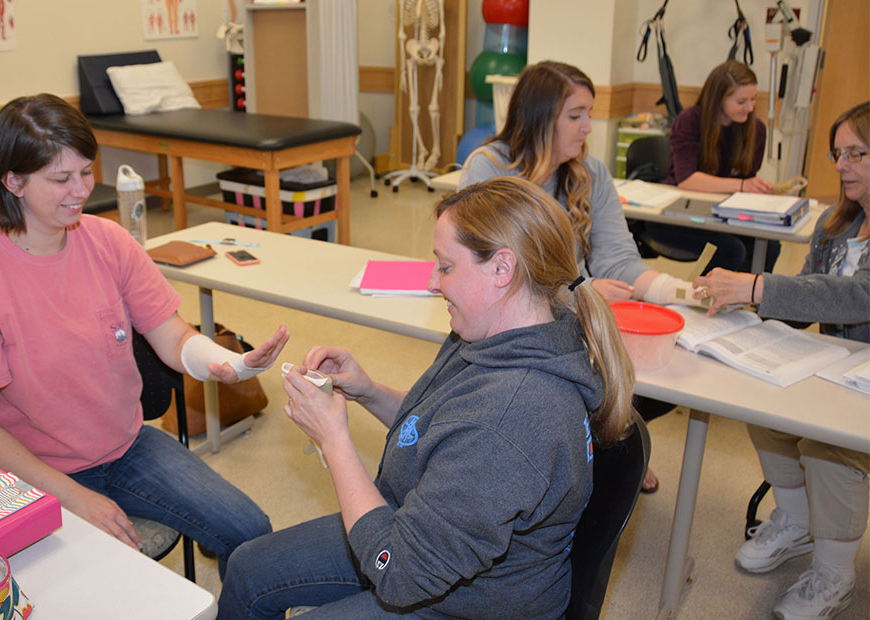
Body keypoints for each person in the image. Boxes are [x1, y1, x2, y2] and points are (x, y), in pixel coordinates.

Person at [216, 177, 637, 619]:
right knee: (248, 568)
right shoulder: (495, 334)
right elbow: (448, 431)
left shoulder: (511, 418)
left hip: (466, 599)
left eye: (446, 266)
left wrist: (334, 439)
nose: (434, 283)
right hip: (423, 527)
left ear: (502, 268)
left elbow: (400, 573)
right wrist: (369, 391)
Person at [0, 93, 288, 576]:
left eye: (85, 171)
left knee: (251, 535)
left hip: (126, 447)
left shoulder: (109, 242)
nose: (80, 190)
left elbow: (172, 335)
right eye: (60, 179)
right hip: (34, 473)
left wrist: (224, 364)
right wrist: (73, 496)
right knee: (101, 590)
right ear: (12, 181)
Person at [460, 60, 704, 493]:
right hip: (518, 329)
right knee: (587, 383)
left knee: (671, 375)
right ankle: (605, 444)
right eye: (576, 115)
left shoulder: (590, 174)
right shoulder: (489, 170)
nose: (588, 126)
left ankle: (608, 441)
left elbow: (619, 262)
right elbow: (495, 277)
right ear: (538, 118)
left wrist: (684, 293)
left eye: (589, 114)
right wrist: (584, 294)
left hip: (586, 318)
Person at [694, 101, 869, 620]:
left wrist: (757, 285)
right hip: (842, 363)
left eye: (856, 153)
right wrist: (736, 322)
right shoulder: (837, 226)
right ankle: (795, 522)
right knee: (762, 399)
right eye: (838, 154)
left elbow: (857, 298)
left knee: (824, 442)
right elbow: (807, 304)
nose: (840, 166)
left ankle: (836, 570)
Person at [648, 60, 780, 273]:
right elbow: (688, 180)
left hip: (722, 215)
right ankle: (706, 299)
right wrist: (743, 185)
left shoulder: (756, 130)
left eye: (754, 99)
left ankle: (745, 301)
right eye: (741, 101)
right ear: (719, 98)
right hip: (677, 216)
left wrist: (752, 187)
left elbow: (745, 181)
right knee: (732, 249)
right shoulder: (690, 120)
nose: (750, 107)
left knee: (770, 246)